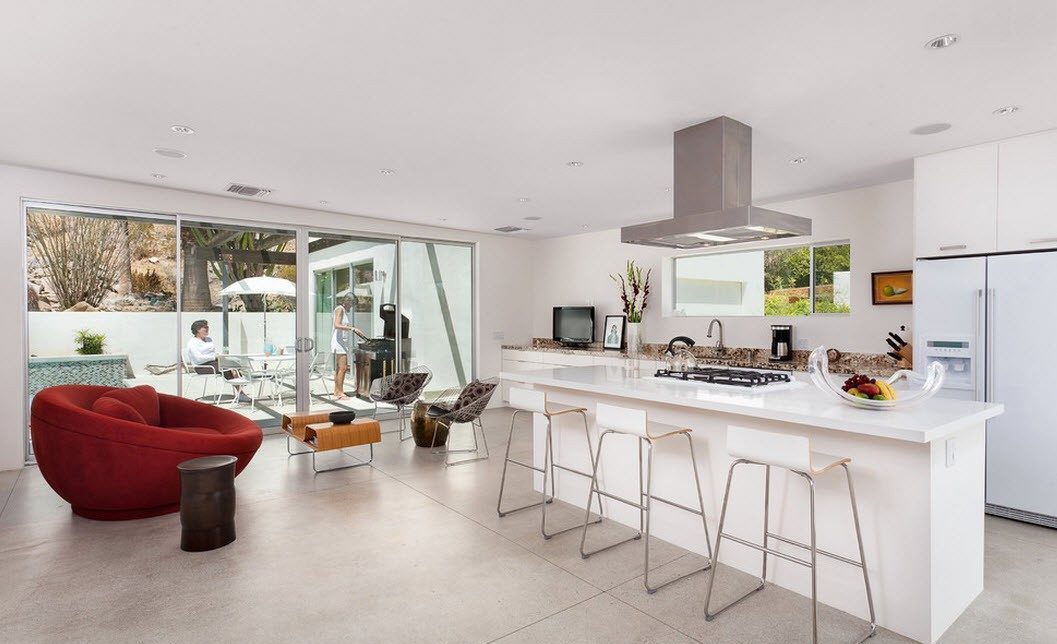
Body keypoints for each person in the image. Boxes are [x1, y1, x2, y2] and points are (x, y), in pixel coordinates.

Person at [332, 296, 367, 400]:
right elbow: (337, 325)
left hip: (341, 342)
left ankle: (337, 391)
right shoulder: (340, 309)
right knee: (343, 368)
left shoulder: (341, 310)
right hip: (339, 343)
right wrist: (353, 328)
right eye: (351, 304)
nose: (351, 307)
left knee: (339, 368)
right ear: (346, 301)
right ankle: (340, 393)